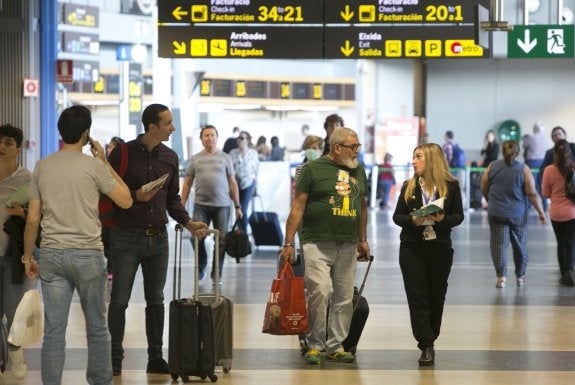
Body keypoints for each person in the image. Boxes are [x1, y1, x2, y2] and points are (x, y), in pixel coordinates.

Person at [21, 105, 133, 384]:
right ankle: (99, 381)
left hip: (52, 254)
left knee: (55, 330)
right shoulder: (93, 166)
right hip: (87, 255)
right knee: (96, 327)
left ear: (61, 132)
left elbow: (33, 218)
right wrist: (104, 161)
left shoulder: (42, 167)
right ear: (86, 134)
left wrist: (27, 257)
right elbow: (126, 200)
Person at [107, 103, 208, 376]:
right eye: (168, 123)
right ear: (152, 127)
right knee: (119, 300)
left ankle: (155, 357)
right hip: (126, 237)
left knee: (156, 300)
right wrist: (134, 195)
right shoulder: (122, 153)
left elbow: (172, 198)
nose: (172, 128)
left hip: (158, 239)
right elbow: (107, 191)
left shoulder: (170, 157)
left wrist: (187, 222)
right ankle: (114, 358)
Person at [279, 127, 370, 365]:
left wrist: (363, 239)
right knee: (320, 292)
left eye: (358, 146)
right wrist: (289, 243)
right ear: (337, 147)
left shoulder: (358, 170)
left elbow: (362, 208)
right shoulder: (312, 169)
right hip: (316, 242)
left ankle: (336, 345)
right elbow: (297, 207)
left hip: (348, 243)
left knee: (343, 296)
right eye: (353, 147)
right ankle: (314, 344)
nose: (356, 151)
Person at [392, 143, 464, 367]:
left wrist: (444, 220)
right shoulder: (409, 186)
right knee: (417, 296)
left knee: (436, 296)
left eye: (418, 157)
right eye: (413, 157)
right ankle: (425, 344)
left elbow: (458, 216)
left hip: (440, 246)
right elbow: (397, 217)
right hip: (412, 247)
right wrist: (411, 221)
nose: (414, 161)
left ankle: (431, 336)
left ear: (431, 159)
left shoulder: (451, 186)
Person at [481, 140, 546, 289]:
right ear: (518, 152)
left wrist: (490, 201)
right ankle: (520, 276)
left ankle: (501, 278)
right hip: (518, 214)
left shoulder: (492, 166)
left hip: (496, 212)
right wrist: (540, 211)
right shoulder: (524, 169)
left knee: (499, 246)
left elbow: (484, 187)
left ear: (502, 151)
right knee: (520, 245)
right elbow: (531, 193)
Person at [181, 124, 242, 283]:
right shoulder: (195, 159)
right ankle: (201, 266)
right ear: (201, 140)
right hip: (201, 205)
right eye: (206, 135)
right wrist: (182, 203)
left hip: (222, 206)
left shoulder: (225, 158)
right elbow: (187, 183)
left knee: (221, 241)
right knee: (195, 237)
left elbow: (232, 183)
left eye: (212, 135)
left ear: (217, 138)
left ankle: (217, 274)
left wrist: (237, 206)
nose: (210, 138)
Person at [0, 124, 32, 381]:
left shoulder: (27, 179)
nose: (2, 147)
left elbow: (38, 217)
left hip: (13, 256)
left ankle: (16, 355)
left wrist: (20, 212)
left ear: (17, 150)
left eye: (8, 143)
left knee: (15, 311)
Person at [541, 139, 575, 286]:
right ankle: (570, 271)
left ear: (554, 152)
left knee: (561, 243)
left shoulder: (548, 170)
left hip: (556, 213)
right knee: (571, 243)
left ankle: (563, 274)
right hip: (572, 212)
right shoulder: (573, 168)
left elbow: (545, 193)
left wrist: (556, 195)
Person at [102, 136, 125, 279]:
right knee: (105, 240)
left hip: (118, 210)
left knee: (113, 240)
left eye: (112, 147)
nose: (109, 149)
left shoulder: (123, 166)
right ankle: (112, 265)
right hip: (104, 210)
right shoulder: (102, 165)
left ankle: (112, 268)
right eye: (109, 146)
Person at [539, 126, 575, 211]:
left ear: (564, 135)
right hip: (557, 188)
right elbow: (542, 170)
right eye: (555, 135)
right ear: (552, 138)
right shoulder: (550, 152)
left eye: (559, 134)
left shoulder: (573, 147)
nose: (557, 136)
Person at [229, 131, 259, 231]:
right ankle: (241, 234)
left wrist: (256, 184)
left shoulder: (253, 153)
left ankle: (243, 233)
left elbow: (256, 170)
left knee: (243, 209)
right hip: (236, 183)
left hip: (249, 182)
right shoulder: (233, 153)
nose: (239, 140)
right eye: (238, 138)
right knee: (238, 208)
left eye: (242, 138)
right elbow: (229, 169)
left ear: (247, 140)